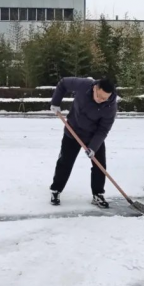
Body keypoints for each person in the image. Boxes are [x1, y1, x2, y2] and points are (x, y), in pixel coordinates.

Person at [49, 78, 118, 208]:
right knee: (65, 162)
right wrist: (56, 102)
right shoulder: (83, 85)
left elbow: (103, 130)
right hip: (73, 130)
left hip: (93, 136)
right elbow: (63, 83)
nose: (101, 100)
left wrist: (93, 147)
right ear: (94, 88)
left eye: (105, 98)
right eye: (99, 96)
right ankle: (56, 190)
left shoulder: (110, 106)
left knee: (100, 165)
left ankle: (98, 194)